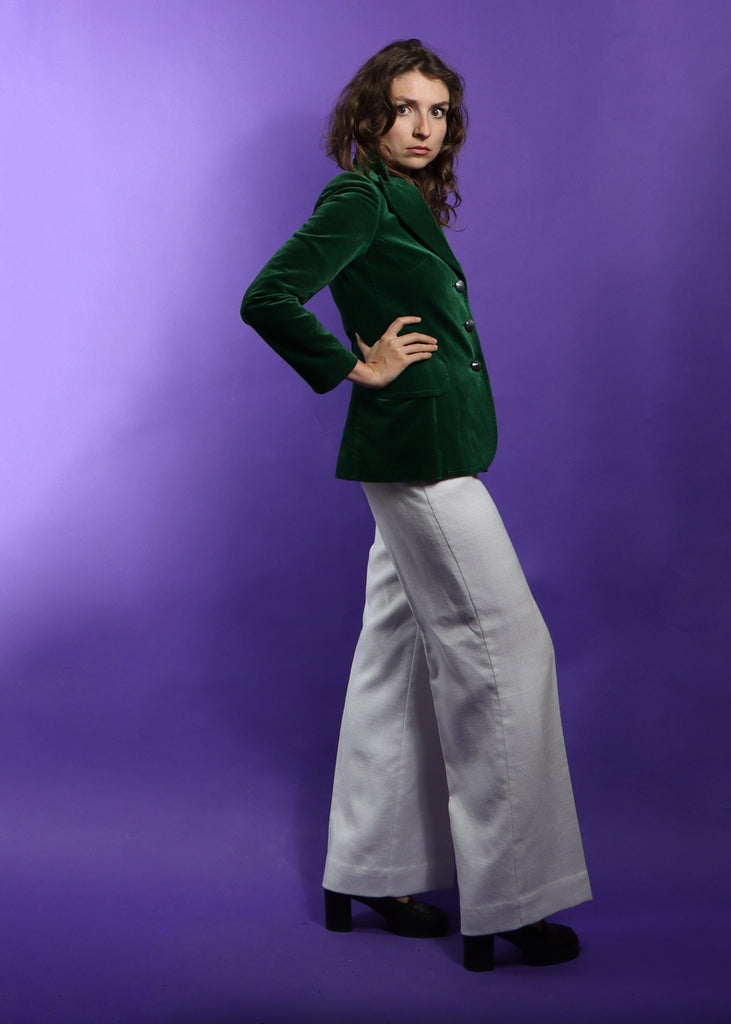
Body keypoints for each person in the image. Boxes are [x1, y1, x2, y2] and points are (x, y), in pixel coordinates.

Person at [240, 38, 591, 972]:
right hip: (419, 459)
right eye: (404, 109)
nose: (423, 127)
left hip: (425, 447)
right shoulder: (358, 197)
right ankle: (508, 901)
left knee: (393, 659)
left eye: (437, 112)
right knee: (506, 655)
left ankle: (370, 869)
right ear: (370, 116)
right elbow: (268, 297)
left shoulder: (403, 201)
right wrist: (355, 365)